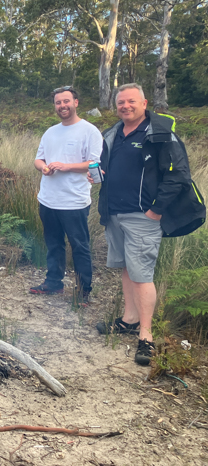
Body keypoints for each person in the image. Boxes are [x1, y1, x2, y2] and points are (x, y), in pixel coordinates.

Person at [96, 83, 205, 366]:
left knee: (142, 274)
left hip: (143, 217)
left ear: (144, 103)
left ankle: (146, 336)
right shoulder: (113, 134)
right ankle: (129, 320)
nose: (125, 106)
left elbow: (179, 175)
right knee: (126, 269)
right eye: (121, 102)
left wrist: (156, 211)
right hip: (114, 213)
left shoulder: (159, 134)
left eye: (131, 101)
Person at [31, 86, 103, 303]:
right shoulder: (50, 132)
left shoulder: (90, 131)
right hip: (48, 199)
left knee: (79, 246)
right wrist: (44, 168)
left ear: (76, 102)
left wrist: (66, 166)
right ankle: (53, 283)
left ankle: (84, 291)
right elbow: (38, 159)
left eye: (66, 101)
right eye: (58, 102)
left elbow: (94, 163)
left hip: (74, 202)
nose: (62, 106)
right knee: (53, 244)